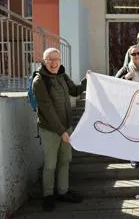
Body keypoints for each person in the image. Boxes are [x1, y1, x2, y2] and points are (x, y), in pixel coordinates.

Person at [32, 48, 86, 212]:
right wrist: (61, 131)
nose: (54, 63)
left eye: (57, 59)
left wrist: (87, 79)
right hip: (50, 130)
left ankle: (62, 191)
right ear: (44, 61)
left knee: (65, 160)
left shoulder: (62, 75)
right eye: (50, 59)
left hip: (66, 127)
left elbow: (75, 91)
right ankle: (48, 195)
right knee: (50, 164)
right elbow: (47, 109)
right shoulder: (39, 81)